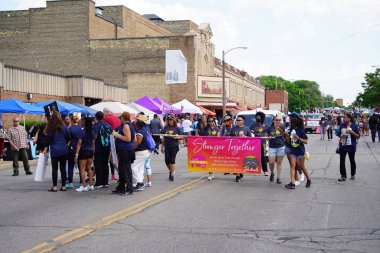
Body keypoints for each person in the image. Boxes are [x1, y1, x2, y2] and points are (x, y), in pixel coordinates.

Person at [43, 112, 70, 192]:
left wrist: (46, 148)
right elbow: (68, 136)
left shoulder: (51, 127)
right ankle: (63, 186)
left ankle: (54, 186)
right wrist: (65, 142)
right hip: (63, 149)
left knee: (54, 169)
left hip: (54, 150)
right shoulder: (64, 126)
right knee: (63, 168)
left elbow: (48, 139)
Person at [285, 115, 312, 189]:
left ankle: (309, 180)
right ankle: (293, 183)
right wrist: (287, 136)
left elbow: (306, 141)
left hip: (300, 150)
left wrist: (298, 138)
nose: (290, 123)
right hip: (293, 150)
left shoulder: (300, 130)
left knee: (302, 166)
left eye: (291, 122)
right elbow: (289, 141)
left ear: (294, 123)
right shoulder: (290, 130)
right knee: (292, 166)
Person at [112, 112, 135, 195]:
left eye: (120, 117)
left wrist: (117, 135)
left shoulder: (126, 126)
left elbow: (128, 138)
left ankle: (129, 188)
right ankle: (121, 187)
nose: (119, 118)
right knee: (122, 169)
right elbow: (134, 138)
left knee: (126, 169)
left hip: (126, 150)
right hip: (125, 149)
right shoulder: (130, 125)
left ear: (123, 118)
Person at [337, 112, 360, 181]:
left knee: (352, 161)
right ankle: (343, 176)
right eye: (343, 117)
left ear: (349, 118)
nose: (343, 118)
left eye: (344, 117)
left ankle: (353, 174)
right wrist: (340, 135)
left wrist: (351, 132)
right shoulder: (342, 125)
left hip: (351, 146)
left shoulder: (354, 126)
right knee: (342, 161)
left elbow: (358, 136)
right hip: (343, 145)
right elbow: (339, 135)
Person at [75, 117, 95, 192]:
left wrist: (76, 154)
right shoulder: (92, 132)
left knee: (82, 169)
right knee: (89, 168)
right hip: (90, 151)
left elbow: (79, 143)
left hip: (83, 151)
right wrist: (93, 153)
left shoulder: (82, 131)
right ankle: (91, 184)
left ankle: (83, 185)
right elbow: (93, 143)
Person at [131, 114, 151, 191]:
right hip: (145, 152)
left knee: (132, 167)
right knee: (140, 167)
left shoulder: (140, 131)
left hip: (141, 152)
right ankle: (139, 182)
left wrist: (131, 147)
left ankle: (139, 182)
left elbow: (138, 143)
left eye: (136, 121)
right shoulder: (146, 129)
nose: (135, 122)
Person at [93, 111, 112, 189]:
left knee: (98, 165)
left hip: (98, 147)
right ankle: (106, 182)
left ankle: (99, 182)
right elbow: (111, 136)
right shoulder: (108, 125)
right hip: (107, 147)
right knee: (105, 164)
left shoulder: (95, 126)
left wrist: (93, 149)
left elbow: (94, 138)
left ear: (96, 117)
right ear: (103, 117)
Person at [265, 114, 286, 184]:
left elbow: (284, 135)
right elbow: (266, 137)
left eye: (279, 120)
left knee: (279, 163)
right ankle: (272, 172)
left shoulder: (282, 126)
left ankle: (278, 178)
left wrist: (280, 129)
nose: (278, 121)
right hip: (272, 147)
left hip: (281, 146)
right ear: (273, 121)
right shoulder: (269, 128)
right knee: (271, 162)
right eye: (276, 120)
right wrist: (269, 138)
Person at [161, 115, 183, 181]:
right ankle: (171, 170)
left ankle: (171, 175)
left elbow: (182, 137)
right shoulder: (166, 128)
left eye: (171, 120)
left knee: (172, 160)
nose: (170, 121)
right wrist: (162, 146)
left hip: (174, 146)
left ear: (174, 120)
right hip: (167, 146)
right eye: (169, 120)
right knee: (167, 161)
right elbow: (164, 137)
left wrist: (176, 137)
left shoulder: (177, 128)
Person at [231, 115, 252, 182]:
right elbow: (230, 137)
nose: (238, 121)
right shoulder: (233, 128)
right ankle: (237, 175)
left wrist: (244, 136)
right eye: (237, 120)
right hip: (235, 148)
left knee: (242, 161)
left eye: (239, 120)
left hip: (244, 148)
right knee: (237, 160)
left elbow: (251, 138)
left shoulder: (246, 128)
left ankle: (241, 172)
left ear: (243, 121)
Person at [103, 107, 120, 180]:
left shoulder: (106, 119)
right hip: (118, 140)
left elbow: (103, 129)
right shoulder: (117, 118)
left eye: (104, 113)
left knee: (111, 159)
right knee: (117, 159)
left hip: (111, 140)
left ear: (106, 112)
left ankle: (114, 174)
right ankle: (118, 175)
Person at [250, 111, 269, 176]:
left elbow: (268, 134)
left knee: (263, 157)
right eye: (257, 117)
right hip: (255, 143)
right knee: (255, 156)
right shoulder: (253, 126)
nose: (258, 118)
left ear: (262, 118)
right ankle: (256, 170)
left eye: (259, 117)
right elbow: (250, 133)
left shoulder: (265, 126)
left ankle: (265, 171)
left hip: (263, 143)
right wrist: (251, 132)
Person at [66, 116, 81, 189]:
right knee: (81, 166)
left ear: (72, 121)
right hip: (81, 148)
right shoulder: (81, 128)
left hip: (72, 148)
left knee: (70, 165)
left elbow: (67, 139)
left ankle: (70, 182)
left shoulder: (70, 129)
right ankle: (81, 182)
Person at [204, 116, 220, 181]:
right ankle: (210, 173)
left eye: (212, 121)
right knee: (208, 160)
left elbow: (218, 136)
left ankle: (212, 172)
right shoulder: (206, 128)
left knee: (213, 160)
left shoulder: (217, 128)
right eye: (209, 121)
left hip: (214, 147)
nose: (211, 122)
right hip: (207, 146)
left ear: (214, 122)